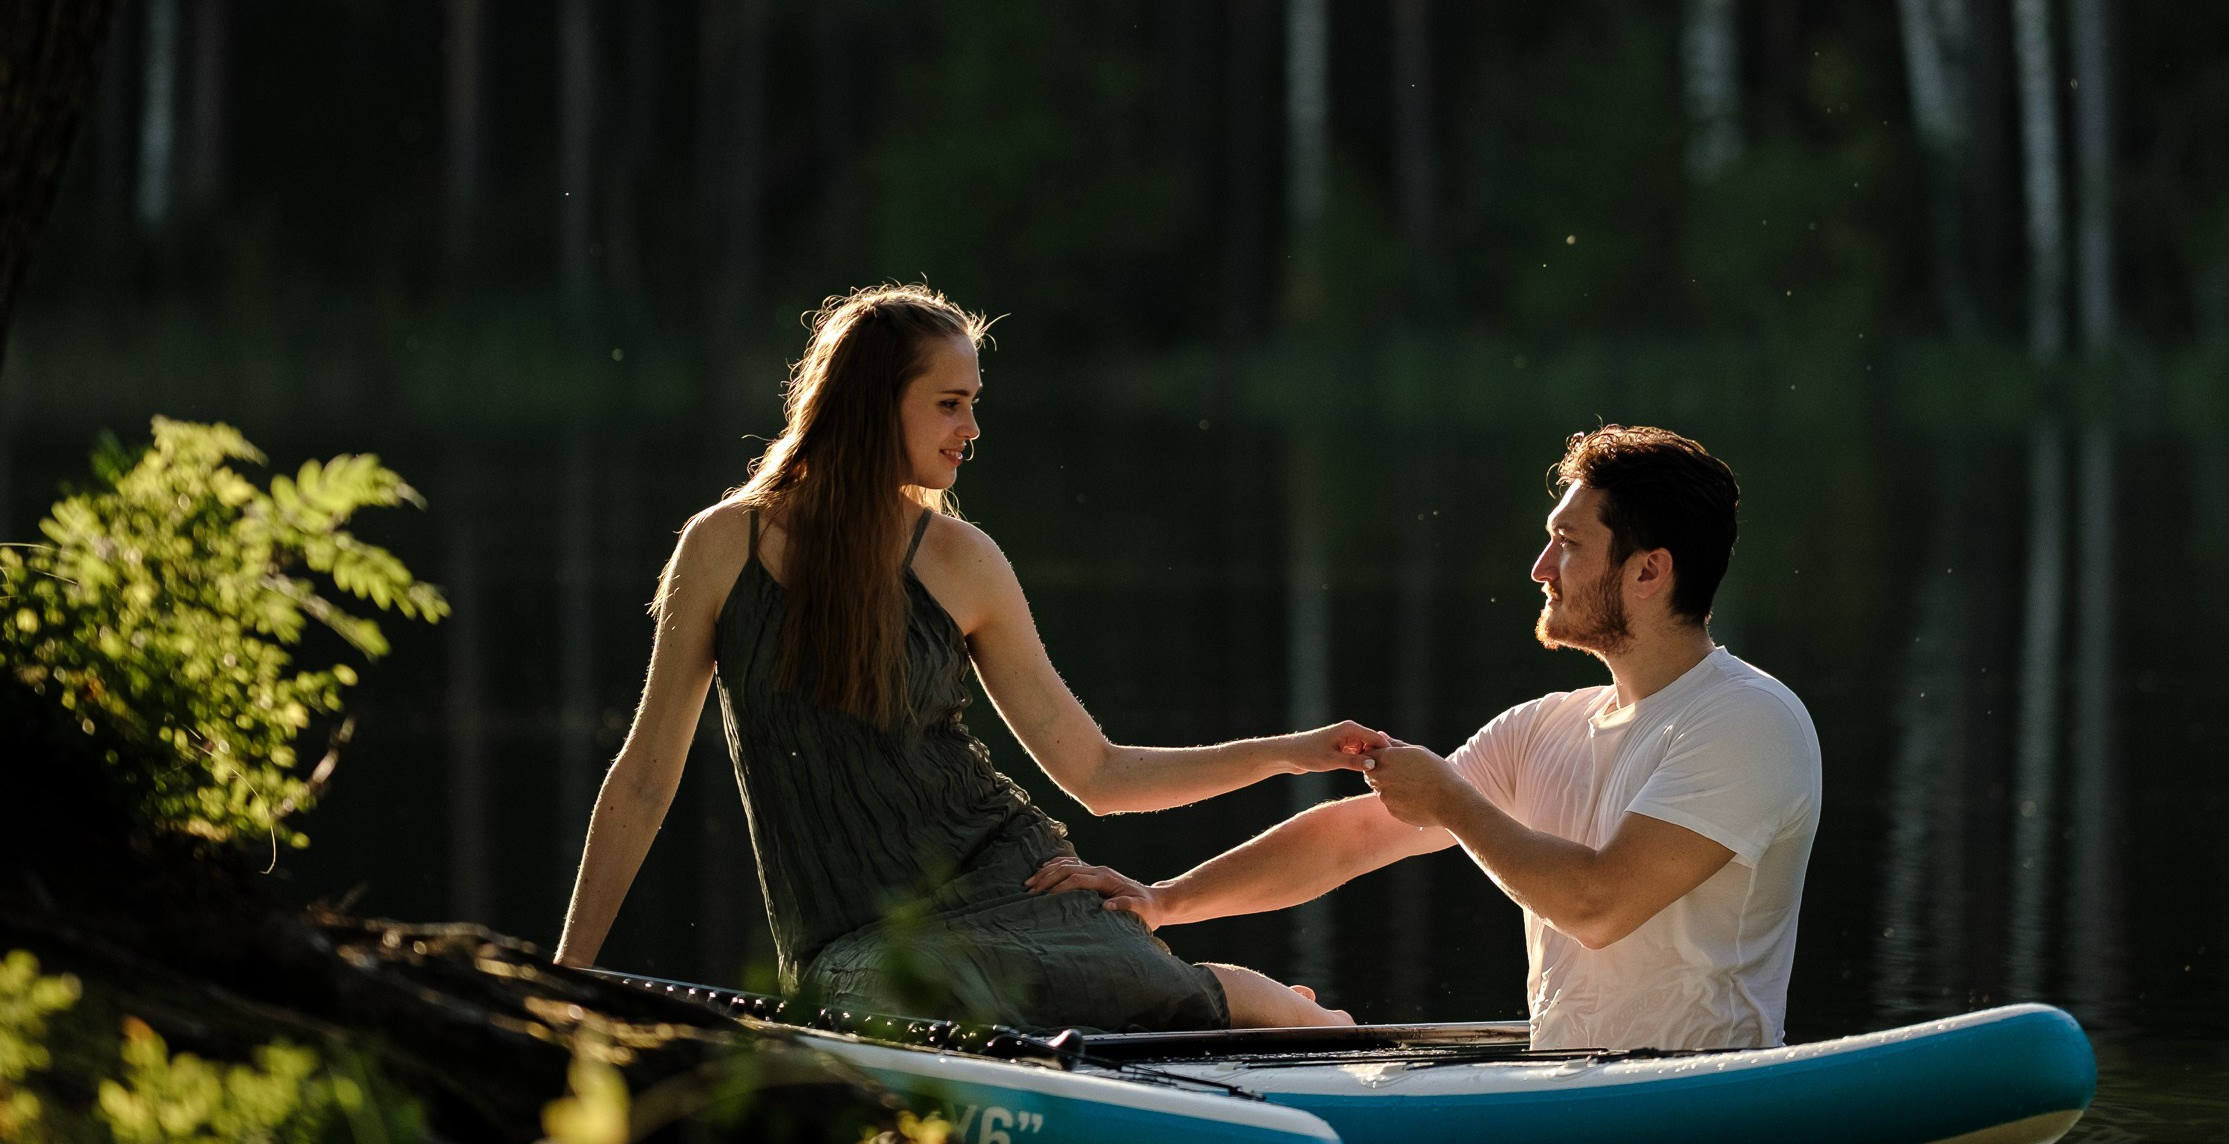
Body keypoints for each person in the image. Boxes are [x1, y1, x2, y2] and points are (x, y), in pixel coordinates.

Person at [554, 283, 1375, 1033]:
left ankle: (1278, 1009)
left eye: (972, 404)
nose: (971, 430)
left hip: (1004, 873)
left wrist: (1288, 754)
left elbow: (1097, 771)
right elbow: (645, 778)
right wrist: (565, 978)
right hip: (849, 936)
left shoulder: (962, 559)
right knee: (911, 992)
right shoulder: (720, 547)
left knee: (1113, 990)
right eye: (950, 405)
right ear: (873, 405)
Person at [1029, 422, 1820, 1054]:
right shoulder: (1542, 726)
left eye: (1571, 544)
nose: (1541, 567)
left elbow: (1599, 904)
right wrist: (1163, 901)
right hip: (1567, 1085)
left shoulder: (1747, 720)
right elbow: (1352, 838)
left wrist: (1451, 801)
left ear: (1649, 573)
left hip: (1697, 1094)